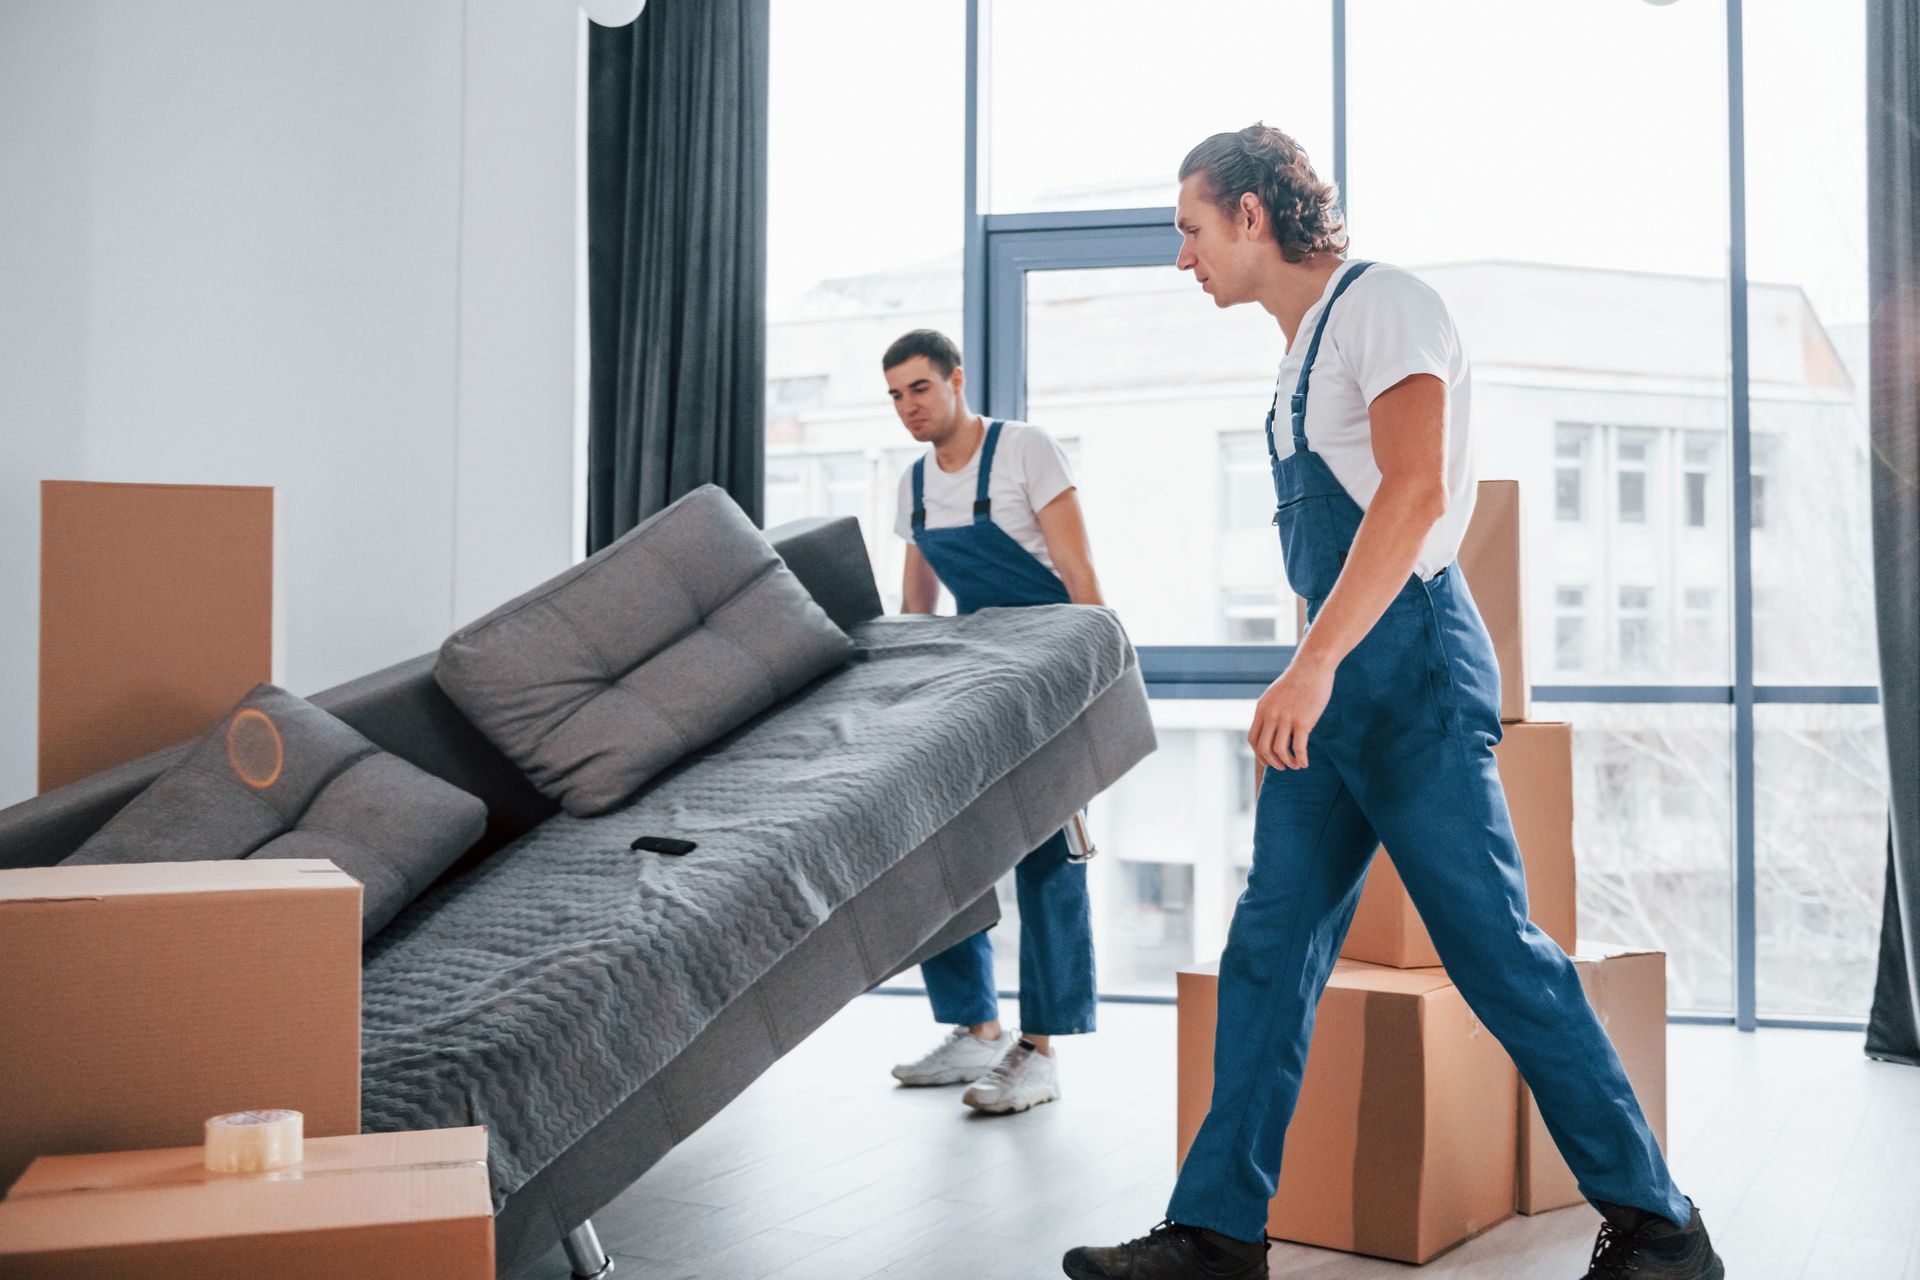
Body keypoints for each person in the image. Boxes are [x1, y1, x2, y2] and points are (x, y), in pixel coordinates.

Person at [1061, 126, 1724, 1280]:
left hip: (1405, 667)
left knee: (1497, 954)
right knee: (1270, 947)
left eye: (1191, 228)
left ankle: (1662, 1226)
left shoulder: (1384, 305)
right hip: (1340, 681)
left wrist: (1310, 664)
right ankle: (1219, 1231)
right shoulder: (1294, 358)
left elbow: (1412, 496)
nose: (1183, 258)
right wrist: (1316, 666)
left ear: (1254, 217)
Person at [880, 328, 1106, 1116]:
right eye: (896, 395)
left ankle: (1040, 1052)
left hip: (1048, 678)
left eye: (920, 388)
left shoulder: (1025, 452)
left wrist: (1093, 696)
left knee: (1050, 859)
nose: (909, 407)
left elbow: (1081, 580)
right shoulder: (911, 486)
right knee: (942, 858)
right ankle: (976, 1030)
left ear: (955, 381)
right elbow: (916, 612)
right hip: (971, 687)